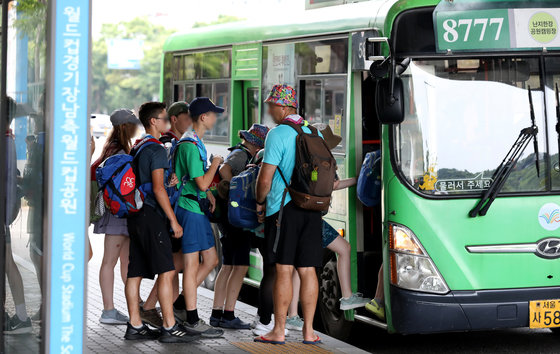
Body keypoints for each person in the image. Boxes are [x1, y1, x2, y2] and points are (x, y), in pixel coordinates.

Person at [124, 101, 198, 343]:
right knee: (167, 271)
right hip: (152, 217)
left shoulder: (139, 147)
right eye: (165, 119)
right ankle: (169, 326)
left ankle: (135, 324)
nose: (168, 123)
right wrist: (174, 220)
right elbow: (157, 189)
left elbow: (149, 183)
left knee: (134, 272)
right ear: (153, 122)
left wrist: (168, 182)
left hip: (135, 215)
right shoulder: (156, 149)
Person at [255, 85, 323, 345]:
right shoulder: (313, 131)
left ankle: (279, 331)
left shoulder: (278, 133)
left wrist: (260, 203)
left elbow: (265, 178)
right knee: (308, 271)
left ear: (283, 107)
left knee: (283, 270)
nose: (269, 110)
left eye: (271, 105)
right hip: (311, 209)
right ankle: (309, 331)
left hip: (283, 210)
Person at [286, 124, 370, 330]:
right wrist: (358, 180)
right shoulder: (322, 160)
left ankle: (292, 315)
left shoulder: (301, 154)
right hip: (312, 218)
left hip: (296, 214)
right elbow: (333, 185)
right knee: (344, 248)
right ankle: (347, 297)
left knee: (299, 267)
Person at [210, 124, 269, 330]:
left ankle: (217, 313)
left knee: (227, 266)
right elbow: (224, 169)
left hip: (228, 217)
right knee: (240, 266)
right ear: (255, 143)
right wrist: (236, 188)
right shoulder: (241, 154)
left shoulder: (238, 151)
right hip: (235, 218)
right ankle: (228, 314)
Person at [174, 97, 224, 337]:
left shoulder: (193, 142)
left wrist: (210, 195)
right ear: (203, 117)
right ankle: (191, 319)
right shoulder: (191, 145)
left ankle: (180, 305)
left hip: (195, 207)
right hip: (190, 210)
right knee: (192, 266)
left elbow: (199, 184)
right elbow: (202, 183)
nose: (216, 117)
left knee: (212, 259)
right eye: (214, 114)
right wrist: (215, 164)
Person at [141, 101, 192, 325]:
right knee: (169, 266)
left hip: (150, 211)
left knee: (169, 266)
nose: (190, 120)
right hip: (160, 212)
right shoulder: (161, 145)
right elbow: (157, 187)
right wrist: (173, 220)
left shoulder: (146, 144)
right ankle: (163, 319)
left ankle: (162, 312)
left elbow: (160, 182)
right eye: (186, 116)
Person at [91, 109, 140, 325]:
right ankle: (108, 310)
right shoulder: (120, 151)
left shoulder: (112, 148)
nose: (136, 127)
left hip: (118, 213)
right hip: (116, 214)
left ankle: (135, 304)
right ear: (124, 127)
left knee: (125, 262)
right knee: (110, 262)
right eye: (133, 124)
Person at [4, 97, 32, 334]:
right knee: (7, 262)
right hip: (4, 213)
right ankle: (18, 315)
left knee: (7, 262)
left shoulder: (5, 141)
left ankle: (21, 316)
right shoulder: (9, 139)